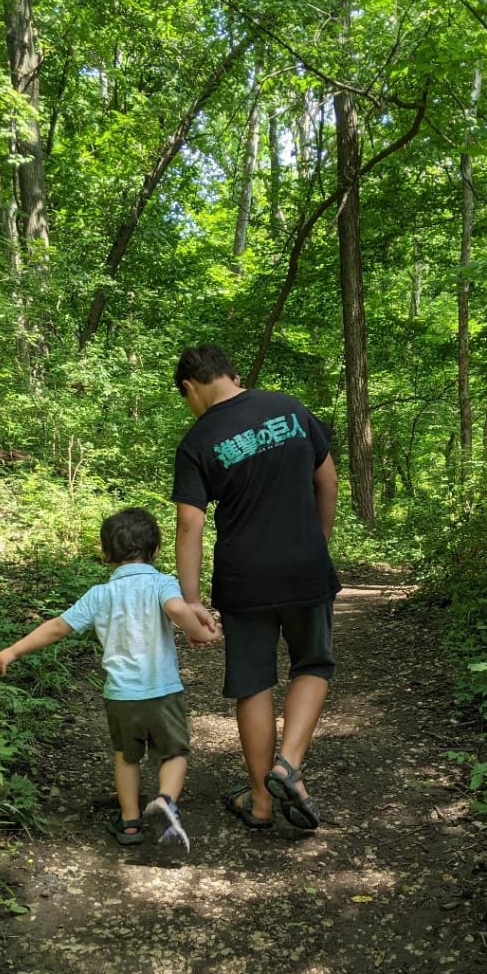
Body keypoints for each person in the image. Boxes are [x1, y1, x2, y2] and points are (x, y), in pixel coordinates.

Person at [171, 344, 340, 833]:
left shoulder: (197, 441)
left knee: (253, 682)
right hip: (305, 565)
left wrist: (191, 600)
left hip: (244, 578)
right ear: (234, 374)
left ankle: (261, 802)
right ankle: (288, 765)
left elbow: (189, 524)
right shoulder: (289, 408)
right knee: (313, 664)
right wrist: (317, 545)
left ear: (190, 387)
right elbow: (327, 482)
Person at [0, 507, 220, 852]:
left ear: (106, 554)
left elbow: (58, 627)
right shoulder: (162, 582)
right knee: (174, 752)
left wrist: (12, 651)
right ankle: (165, 802)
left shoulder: (100, 594)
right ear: (155, 549)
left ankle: (129, 822)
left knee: (126, 756)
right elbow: (175, 608)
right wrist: (199, 632)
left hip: (121, 696)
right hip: (163, 692)